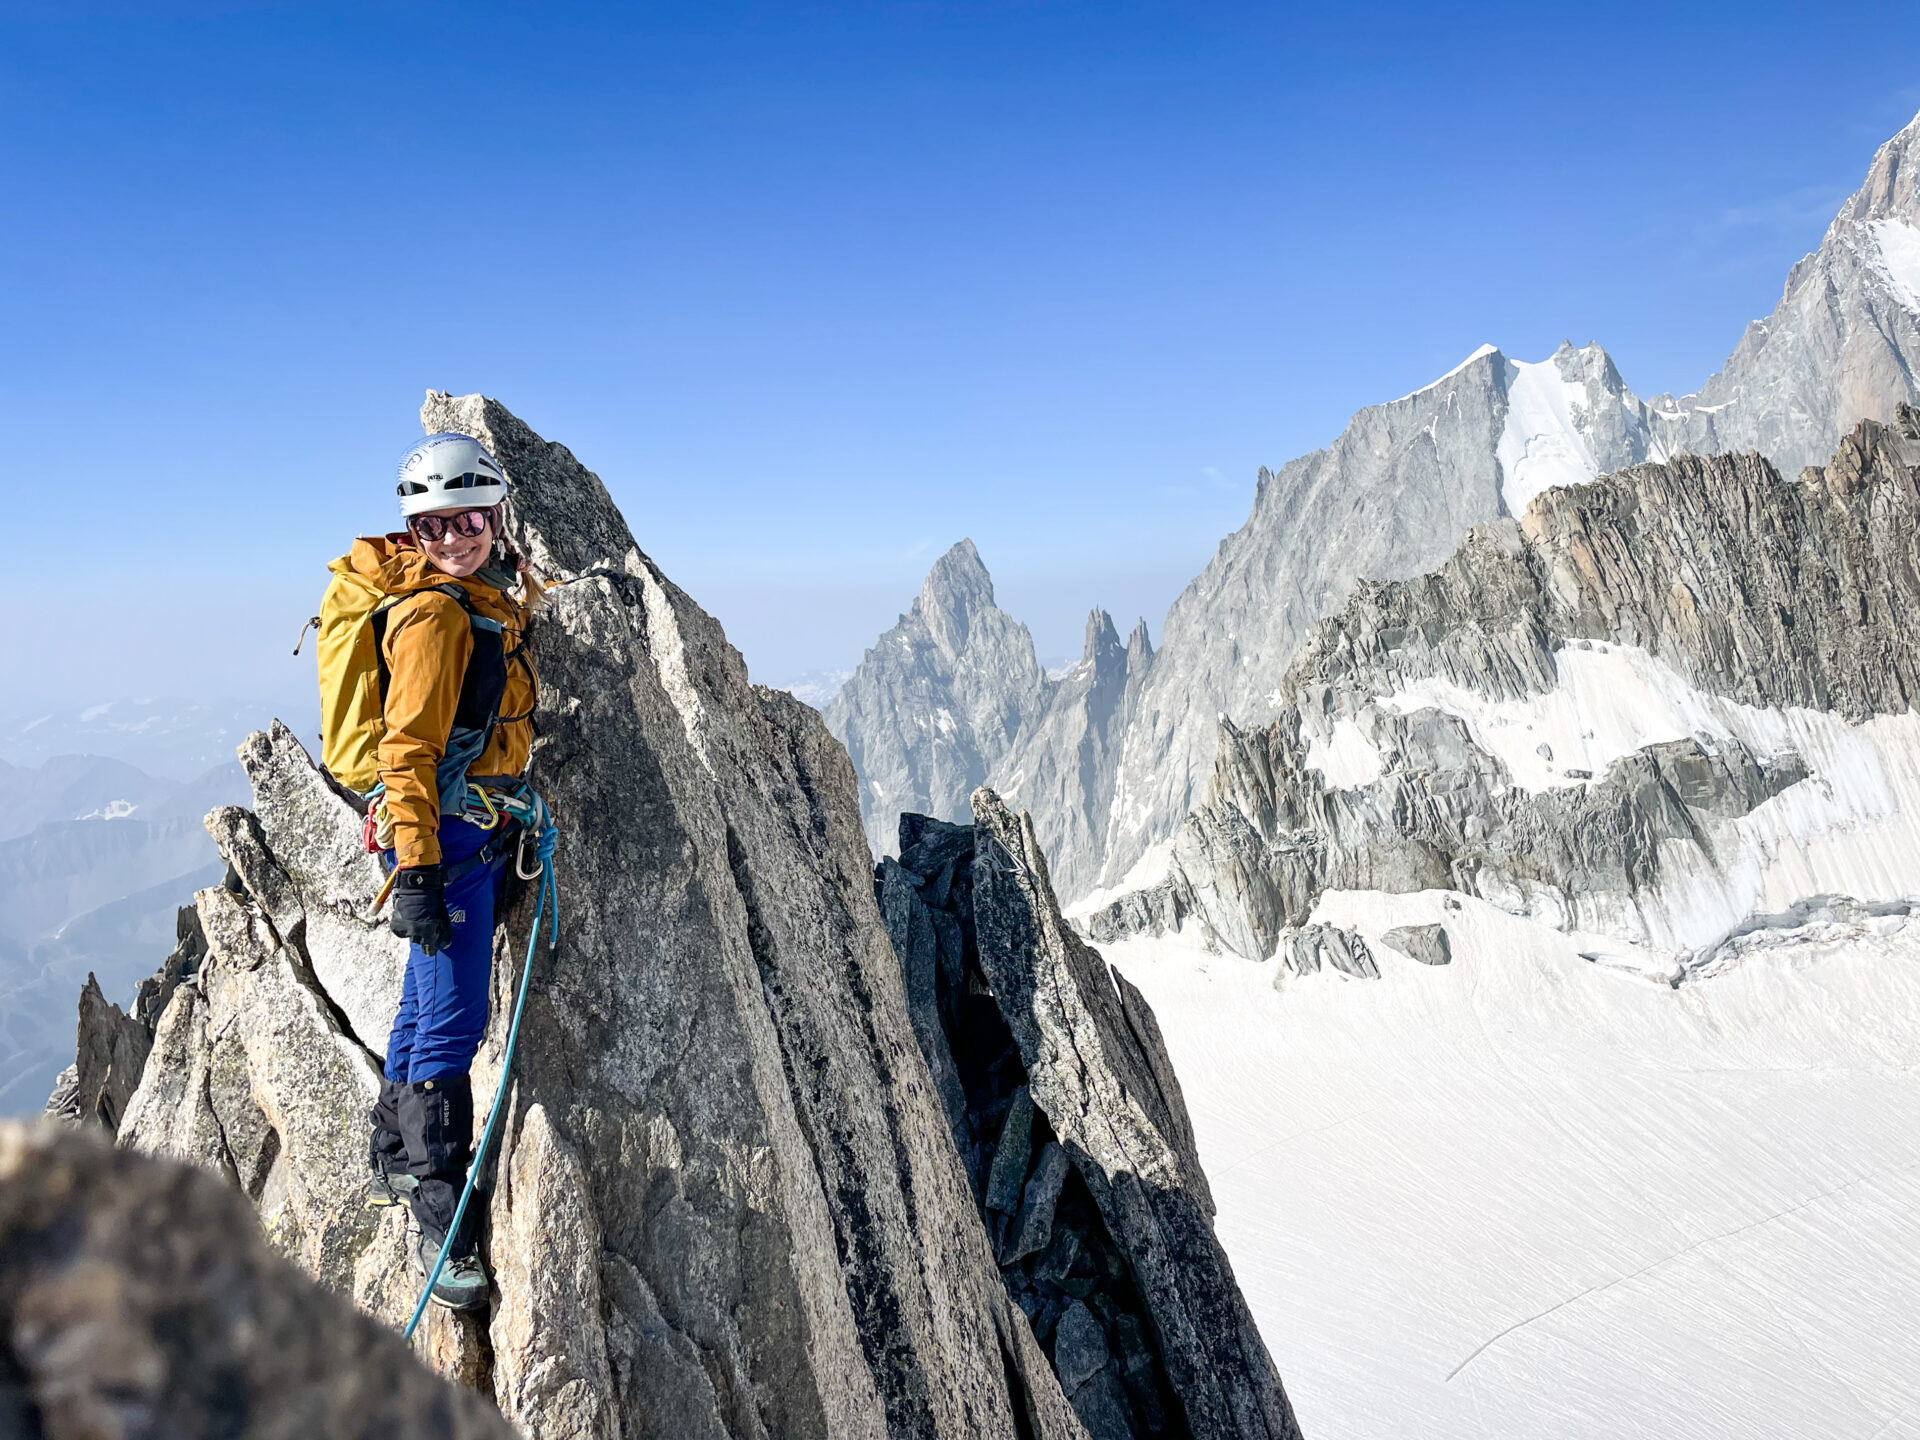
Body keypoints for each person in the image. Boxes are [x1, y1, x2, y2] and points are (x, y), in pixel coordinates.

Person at [348, 433, 539, 1312]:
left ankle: (392, 1149)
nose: (451, 537)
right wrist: (419, 871)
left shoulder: (481, 598)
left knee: (425, 998)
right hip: (446, 842)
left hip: (459, 829)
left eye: (465, 519)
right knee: (455, 1022)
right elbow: (407, 751)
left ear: (494, 517)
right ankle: (438, 1203)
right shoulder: (435, 616)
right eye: (430, 527)